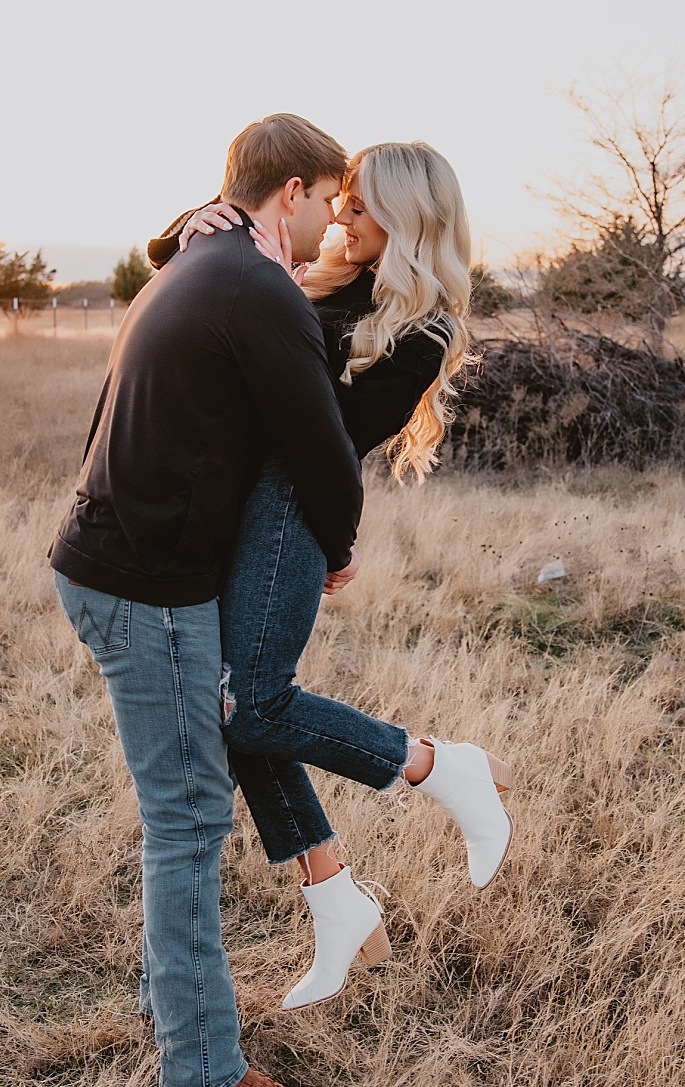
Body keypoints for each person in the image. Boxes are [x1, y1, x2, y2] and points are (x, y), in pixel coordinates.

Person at [50, 113, 365, 1087]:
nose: (332, 220)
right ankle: (203, 1073)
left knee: (177, 811)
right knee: (187, 819)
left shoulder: (200, 262)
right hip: (145, 586)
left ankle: (171, 1008)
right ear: (292, 194)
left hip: (116, 566)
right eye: (328, 198)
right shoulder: (257, 284)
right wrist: (342, 545)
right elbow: (323, 447)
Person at [152, 141, 509, 1013]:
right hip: (248, 506)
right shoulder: (332, 282)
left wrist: (338, 534)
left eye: (358, 206)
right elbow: (176, 261)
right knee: (236, 712)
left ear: (407, 215)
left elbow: (318, 432)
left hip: (294, 508)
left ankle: (437, 764)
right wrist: (206, 219)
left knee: (253, 703)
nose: (340, 218)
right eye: (339, 202)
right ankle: (336, 900)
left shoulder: (424, 330)